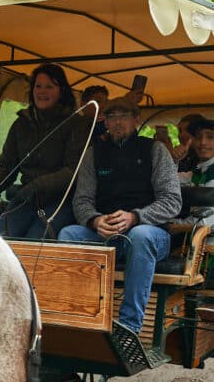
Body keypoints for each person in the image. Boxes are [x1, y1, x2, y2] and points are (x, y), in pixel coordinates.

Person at [58, 96, 182, 333]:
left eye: (123, 115)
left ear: (136, 119)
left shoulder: (154, 150)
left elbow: (172, 201)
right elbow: (82, 200)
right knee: (69, 233)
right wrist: (95, 220)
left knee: (140, 236)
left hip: (152, 234)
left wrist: (135, 217)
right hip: (107, 233)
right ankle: (79, 317)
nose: (117, 121)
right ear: (104, 121)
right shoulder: (93, 154)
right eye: (111, 116)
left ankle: (129, 327)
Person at [0, 64, 86, 239]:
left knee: (34, 242)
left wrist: (36, 186)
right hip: (26, 199)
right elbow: (7, 163)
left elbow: (73, 172)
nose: (42, 92)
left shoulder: (75, 124)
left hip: (61, 201)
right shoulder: (21, 124)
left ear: (62, 91)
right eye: (38, 86)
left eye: (49, 87)